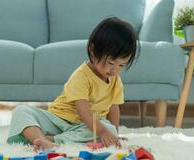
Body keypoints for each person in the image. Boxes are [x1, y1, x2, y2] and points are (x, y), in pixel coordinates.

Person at [7, 17, 139, 151]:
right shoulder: (81, 76)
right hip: (58, 120)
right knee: (21, 111)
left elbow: (113, 108)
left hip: (86, 127)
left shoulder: (116, 81)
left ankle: (50, 139)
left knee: (107, 127)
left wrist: (112, 135)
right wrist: (102, 132)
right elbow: (84, 111)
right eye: (111, 63)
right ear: (92, 49)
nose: (115, 70)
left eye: (122, 65)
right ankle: (42, 138)